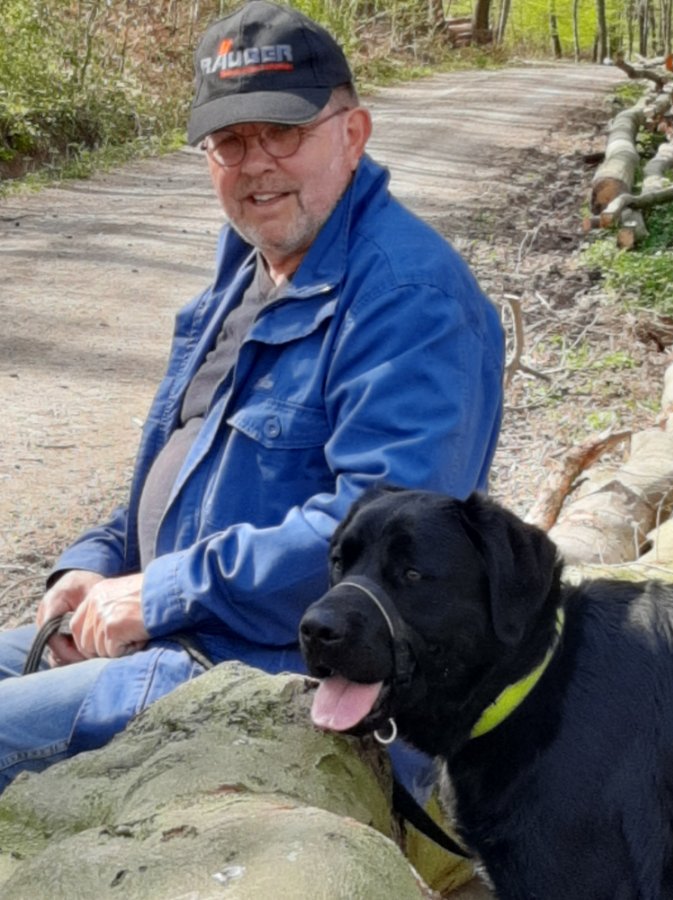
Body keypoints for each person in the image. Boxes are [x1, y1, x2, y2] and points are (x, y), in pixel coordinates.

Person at [0, 0, 503, 796]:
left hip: (279, 683)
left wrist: (164, 593)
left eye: (283, 132)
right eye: (231, 141)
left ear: (353, 133)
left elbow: (387, 543)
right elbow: (183, 468)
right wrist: (96, 565)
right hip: (179, 634)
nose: (256, 163)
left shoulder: (409, 299)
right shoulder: (250, 267)